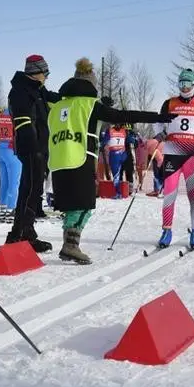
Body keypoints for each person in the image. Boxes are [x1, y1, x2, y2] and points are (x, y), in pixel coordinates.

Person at [47, 58, 171, 263]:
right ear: (91, 85)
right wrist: (157, 117)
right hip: (80, 158)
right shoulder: (90, 105)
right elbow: (125, 115)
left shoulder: (58, 104)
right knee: (85, 204)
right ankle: (71, 245)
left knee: (72, 205)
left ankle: (69, 244)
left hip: (58, 161)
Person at [152, 69, 194, 249]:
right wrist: (160, 133)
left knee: (193, 195)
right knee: (169, 194)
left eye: (187, 84)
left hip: (193, 155)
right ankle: (166, 231)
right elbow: (158, 122)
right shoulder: (169, 103)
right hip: (172, 154)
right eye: (181, 83)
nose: (184, 88)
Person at [7, 54, 61, 252]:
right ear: (36, 72)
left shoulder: (37, 90)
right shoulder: (20, 91)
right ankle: (20, 234)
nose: (47, 76)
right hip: (31, 149)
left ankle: (25, 232)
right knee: (30, 190)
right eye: (45, 72)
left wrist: (77, 95)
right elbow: (23, 122)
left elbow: (56, 98)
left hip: (40, 148)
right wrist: (35, 150)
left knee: (32, 190)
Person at [0, 107, 20, 223]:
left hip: (0, 149)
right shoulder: (16, 113)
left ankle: (3, 210)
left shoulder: (1, 115)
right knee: (14, 182)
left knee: (4, 182)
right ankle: (11, 210)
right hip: (12, 150)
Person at [100, 122, 128, 197]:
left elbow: (104, 141)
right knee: (119, 174)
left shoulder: (110, 131)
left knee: (116, 174)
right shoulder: (124, 130)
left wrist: (101, 145)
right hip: (123, 154)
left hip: (115, 155)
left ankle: (118, 193)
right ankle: (119, 191)